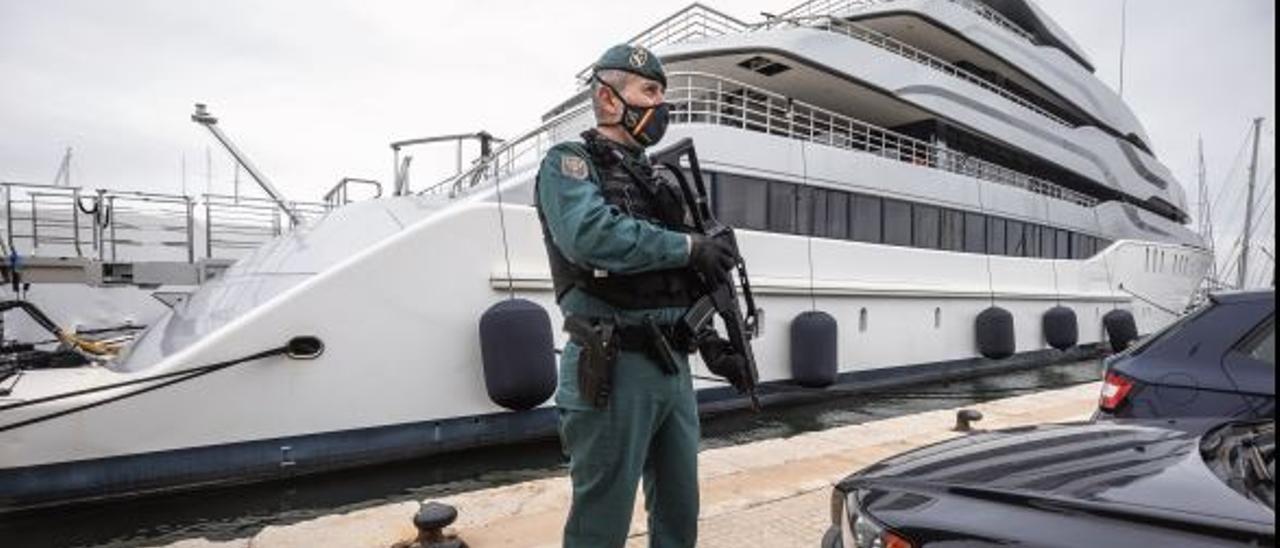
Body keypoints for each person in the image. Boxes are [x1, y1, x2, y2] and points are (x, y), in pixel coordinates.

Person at [533, 44, 737, 548]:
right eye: (649, 91)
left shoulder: (658, 177)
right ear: (607, 99)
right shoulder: (569, 164)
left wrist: (712, 342)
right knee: (601, 522)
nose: (660, 106)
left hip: (673, 366)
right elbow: (591, 236)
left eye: (663, 95)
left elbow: (680, 279)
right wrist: (690, 247)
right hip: (612, 364)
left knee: (679, 512)